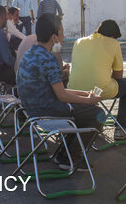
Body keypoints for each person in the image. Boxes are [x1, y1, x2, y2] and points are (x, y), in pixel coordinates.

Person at [16, 14, 105, 169]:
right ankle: (71, 157)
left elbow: (58, 90)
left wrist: (84, 94)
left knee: (83, 112)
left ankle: (64, 155)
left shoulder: (30, 53)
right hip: (46, 111)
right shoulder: (48, 59)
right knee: (97, 115)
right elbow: (62, 95)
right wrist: (89, 100)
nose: (64, 37)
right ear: (54, 37)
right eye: (62, 33)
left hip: (31, 109)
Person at [67, 20, 126, 141]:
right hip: (99, 90)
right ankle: (120, 128)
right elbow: (118, 76)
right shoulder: (114, 43)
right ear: (113, 36)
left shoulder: (79, 41)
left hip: (74, 90)